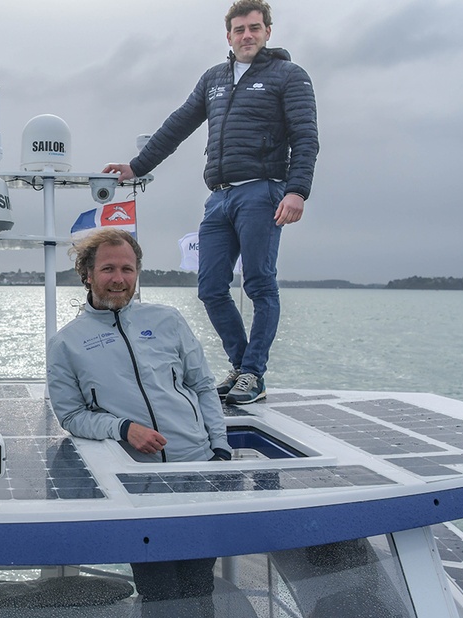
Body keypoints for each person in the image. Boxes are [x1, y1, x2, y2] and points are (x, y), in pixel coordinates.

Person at [103, 0, 318, 405]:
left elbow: (306, 137)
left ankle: (253, 373)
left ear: (268, 31)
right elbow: (178, 125)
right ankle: (242, 368)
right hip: (219, 198)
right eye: (239, 30)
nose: (247, 35)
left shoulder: (288, 76)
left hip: (263, 190)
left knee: (258, 283)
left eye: (255, 28)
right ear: (229, 36)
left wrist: (296, 191)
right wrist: (137, 166)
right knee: (210, 288)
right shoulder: (214, 79)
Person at [47, 228, 232, 618]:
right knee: (158, 584)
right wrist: (123, 427)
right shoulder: (66, 343)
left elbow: (203, 386)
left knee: (198, 576)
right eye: (108, 268)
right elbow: (71, 416)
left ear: (137, 273)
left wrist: (220, 452)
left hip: (196, 471)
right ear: (86, 274)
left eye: (127, 268)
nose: (119, 278)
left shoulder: (167, 320)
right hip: (136, 484)